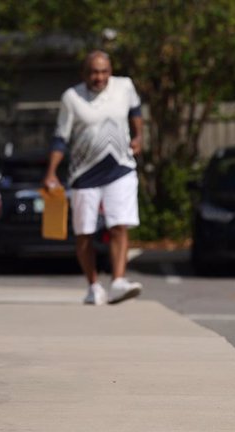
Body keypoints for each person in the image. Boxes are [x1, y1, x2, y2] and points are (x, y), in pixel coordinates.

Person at [43, 50, 143, 306]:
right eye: (93, 72)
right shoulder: (72, 97)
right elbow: (60, 137)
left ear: (110, 71)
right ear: (84, 74)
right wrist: (52, 172)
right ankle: (94, 285)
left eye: (104, 72)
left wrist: (138, 136)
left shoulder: (125, 86)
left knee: (119, 224)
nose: (99, 77)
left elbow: (136, 110)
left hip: (120, 167)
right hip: (84, 173)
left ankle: (119, 281)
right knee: (84, 232)